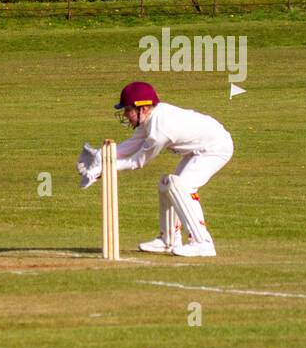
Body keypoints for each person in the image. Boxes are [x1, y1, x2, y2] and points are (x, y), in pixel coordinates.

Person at [78, 81, 233, 257]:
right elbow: (132, 144)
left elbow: (137, 161)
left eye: (128, 110)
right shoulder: (149, 118)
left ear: (142, 108)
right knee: (166, 184)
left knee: (180, 186)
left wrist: (104, 169)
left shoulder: (161, 130)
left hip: (216, 148)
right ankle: (168, 240)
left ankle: (202, 242)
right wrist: (101, 156)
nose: (126, 115)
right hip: (196, 149)